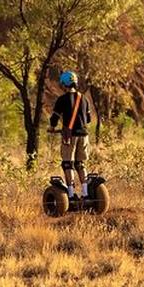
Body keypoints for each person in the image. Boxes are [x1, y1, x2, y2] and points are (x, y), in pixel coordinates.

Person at [48, 71, 93, 200]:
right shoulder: (84, 98)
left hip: (70, 136)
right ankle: (85, 194)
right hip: (84, 135)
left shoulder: (62, 99)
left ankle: (71, 195)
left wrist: (51, 127)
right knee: (81, 164)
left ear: (64, 84)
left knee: (68, 164)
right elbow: (88, 119)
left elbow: (54, 117)